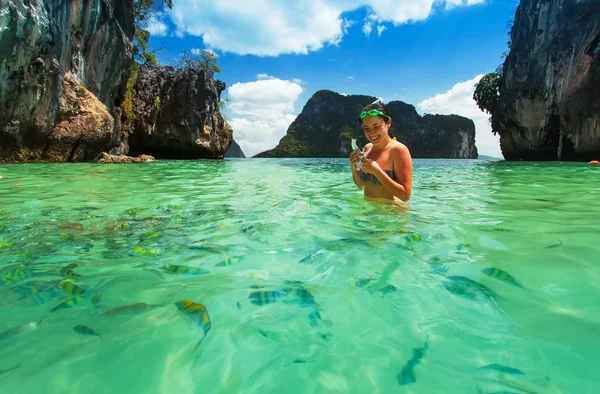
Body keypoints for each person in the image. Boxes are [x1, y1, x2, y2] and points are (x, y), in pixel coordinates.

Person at [349, 100, 413, 202]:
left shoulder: (398, 150)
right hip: (369, 213)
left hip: (391, 214)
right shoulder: (367, 148)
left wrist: (377, 172)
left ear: (388, 123)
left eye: (376, 126)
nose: (371, 133)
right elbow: (361, 186)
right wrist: (353, 167)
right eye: (366, 128)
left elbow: (405, 196)